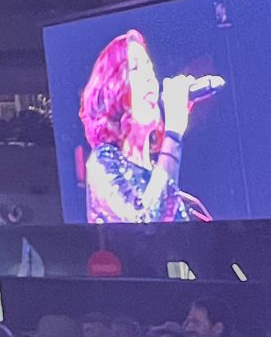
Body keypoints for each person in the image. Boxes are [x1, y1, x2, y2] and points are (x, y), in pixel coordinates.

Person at [77, 28, 219, 223]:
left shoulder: (165, 181)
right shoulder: (103, 163)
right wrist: (174, 131)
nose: (149, 78)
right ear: (112, 88)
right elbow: (148, 223)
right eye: (136, 69)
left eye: (149, 68)